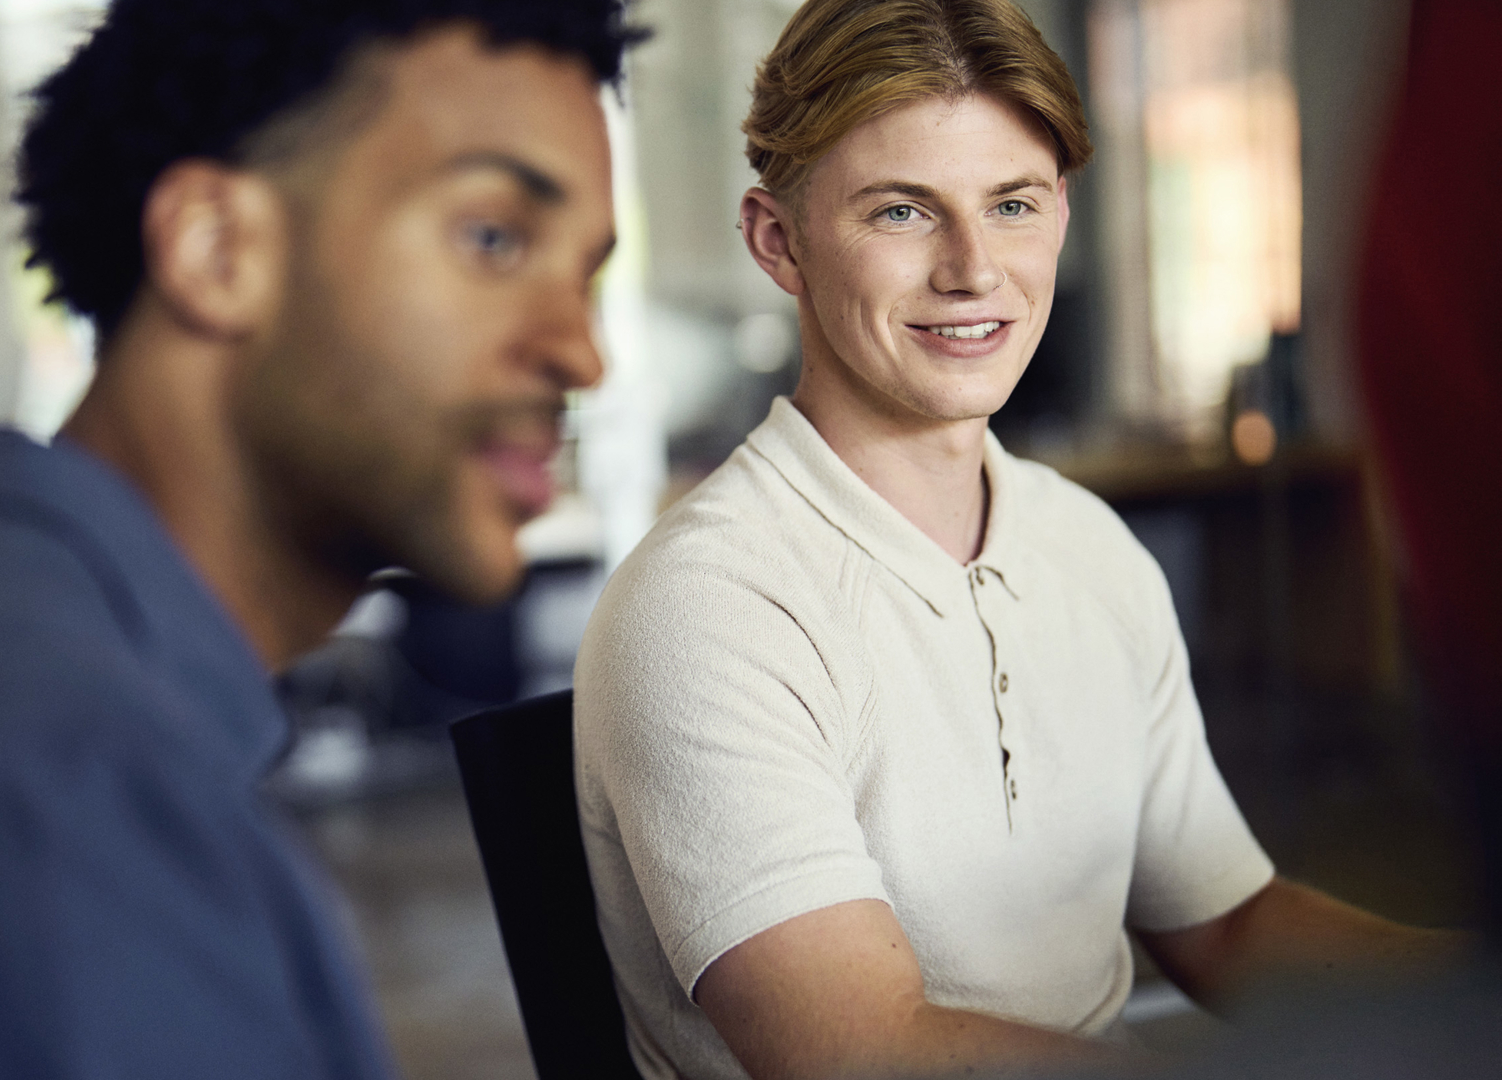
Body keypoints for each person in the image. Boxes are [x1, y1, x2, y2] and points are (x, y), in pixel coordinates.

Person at [0, 0, 634, 1075]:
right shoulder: (39, 792)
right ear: (216, 250)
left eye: (587, 275)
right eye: (494, 238)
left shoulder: (22, 686)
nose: (581, 352)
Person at [572, 3, 1459, 1079]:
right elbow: (863, 1054)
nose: (974, 269)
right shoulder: (712, 606)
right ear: (778, 241)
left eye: (1013, 204)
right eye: (902, 212)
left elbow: (1228, 926)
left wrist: (1465, 999)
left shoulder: (1088, 547)